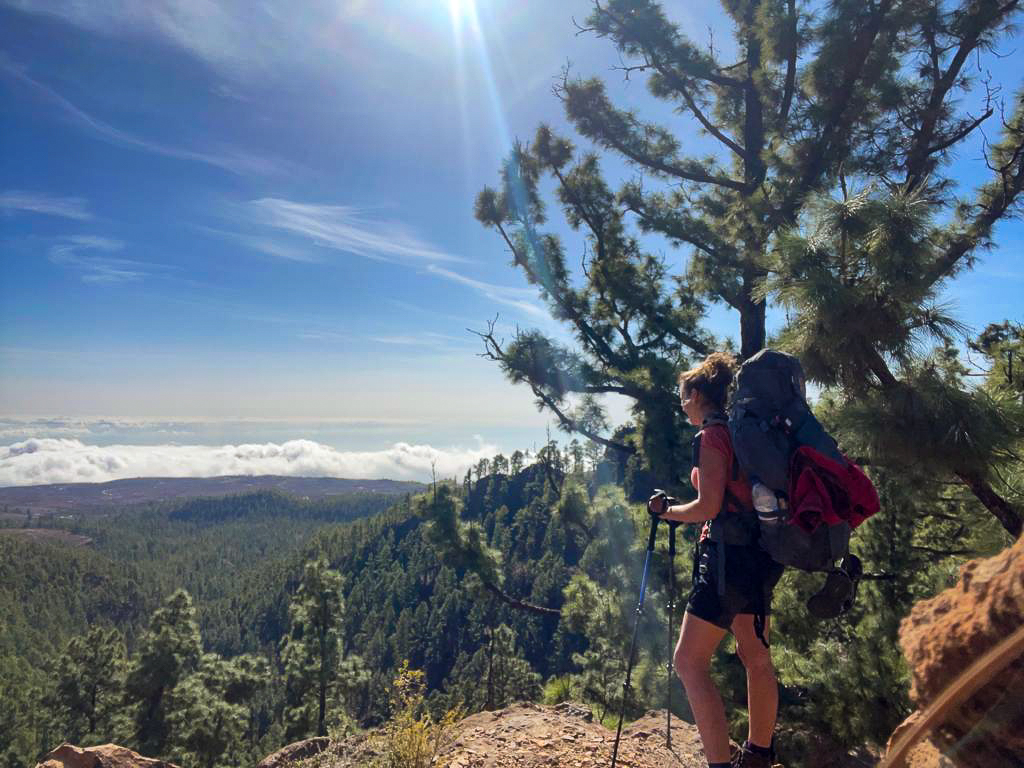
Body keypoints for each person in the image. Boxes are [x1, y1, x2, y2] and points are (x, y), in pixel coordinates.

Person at [648, 352, 784, 768]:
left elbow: (708, 507)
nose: (681, 403)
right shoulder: (745, 431)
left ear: (698, 395)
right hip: (763, 554)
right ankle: (758, 757)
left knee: (688, 662)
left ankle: (720, 765)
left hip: (726, 560)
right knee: (756, 657)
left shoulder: (713, 436)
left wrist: (667, 512)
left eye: (683, 395)